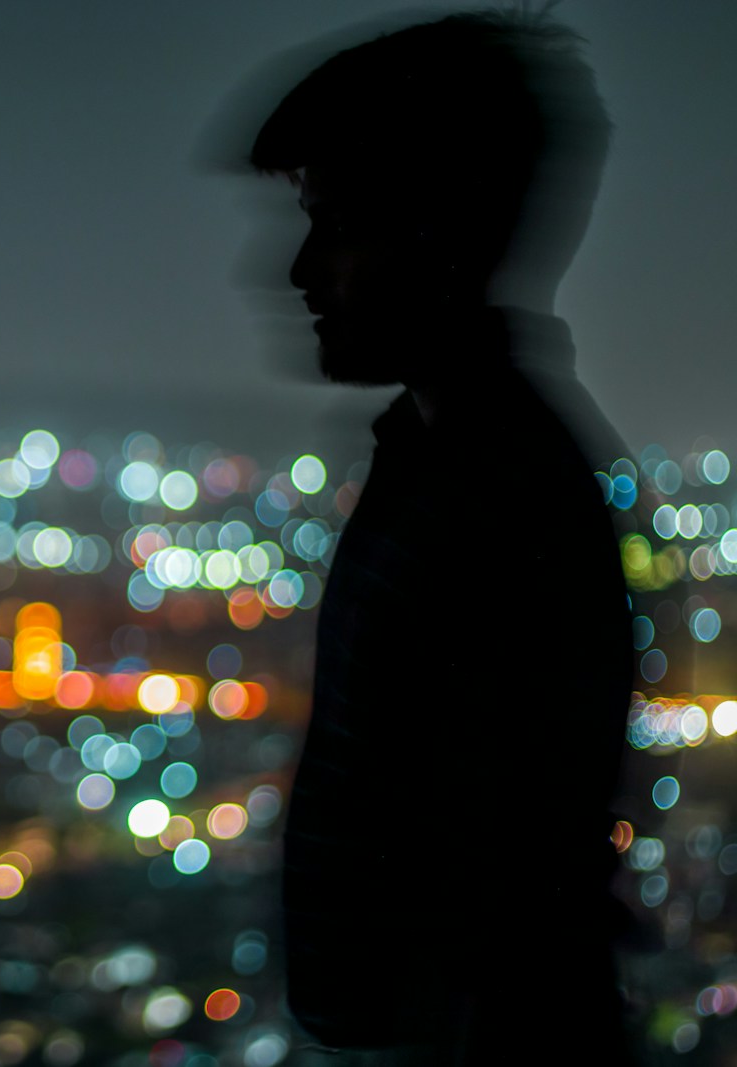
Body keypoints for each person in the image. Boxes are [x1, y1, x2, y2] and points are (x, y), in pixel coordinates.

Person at [237, 13, 638, 1064]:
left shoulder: (495, 499)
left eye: (336, 222)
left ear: (434, 231)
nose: (300, 269)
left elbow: (506, 888)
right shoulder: (449, 462)